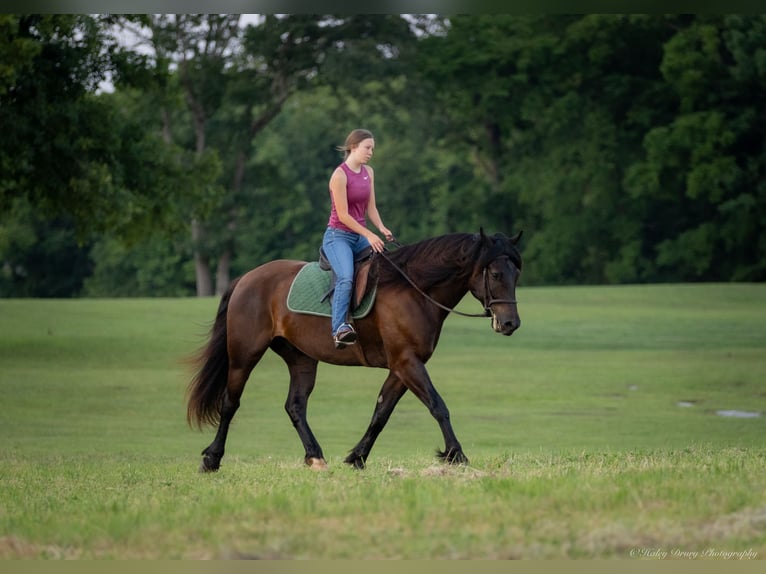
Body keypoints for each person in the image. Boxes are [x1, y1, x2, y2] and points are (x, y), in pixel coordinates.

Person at [322, 129, 393, 348]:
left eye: (372, 148)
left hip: (360, 235)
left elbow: (370, 207)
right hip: (338, 237)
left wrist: (381, 228)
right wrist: (369, 234)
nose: (371, 152)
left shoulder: (368, 172)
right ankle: (339, 329)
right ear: (353, 147)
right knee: (346, 277)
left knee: (389, 264)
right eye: (367, 147)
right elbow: (343, 215)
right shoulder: (339, 175)